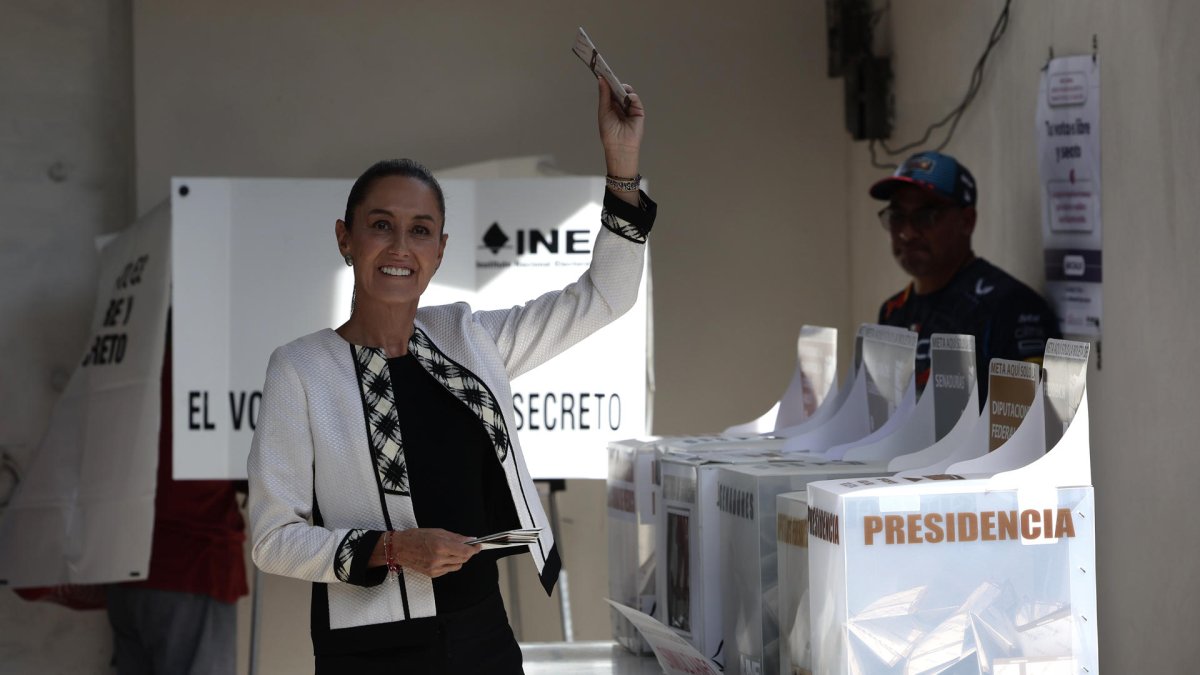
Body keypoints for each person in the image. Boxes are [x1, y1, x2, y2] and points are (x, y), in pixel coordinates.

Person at [246, 74, 653, 674]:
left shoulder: (469, 338)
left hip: (481, 636)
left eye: (419, 230)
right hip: (368, 650)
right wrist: (390, 549)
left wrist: (621, 168)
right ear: (345, 238)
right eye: (380, 225)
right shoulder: (301, 369)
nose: (400, 247)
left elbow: (606, 297)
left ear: (439, 250)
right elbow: (271, 538)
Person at [106, 319, 249, 675]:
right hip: (193, 567)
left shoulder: (130, 367)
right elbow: (254, 472)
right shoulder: (214, 377)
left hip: (125, 570)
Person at [871, 151, 1060, 398]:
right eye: (897, 217)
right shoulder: (892, 312)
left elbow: (1029, 427)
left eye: (925, 217)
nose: (907, 232)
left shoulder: (1010, 307)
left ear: (966, 221)